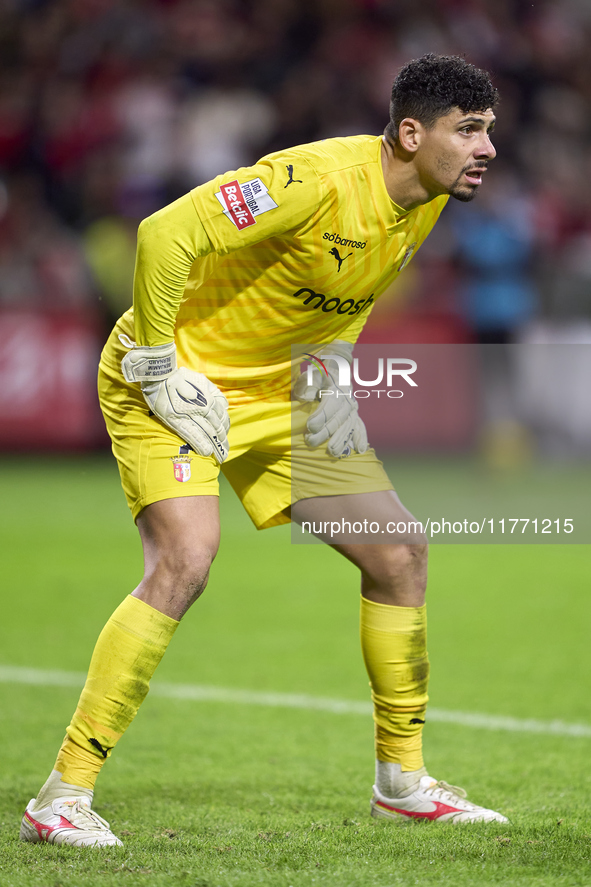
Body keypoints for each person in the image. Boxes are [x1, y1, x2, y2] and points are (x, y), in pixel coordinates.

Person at [20, 54, 507, 848]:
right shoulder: (312, 179)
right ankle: (62, 795)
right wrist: (154, 361)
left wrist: (331, 386)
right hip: (170, 378)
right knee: (185, 559)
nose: (486, 148)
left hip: (281, 393)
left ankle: (402, 782)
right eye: (470, 130)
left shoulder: (425, 197)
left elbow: (340, 301)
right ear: (411, 133)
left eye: (488, 131)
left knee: (399, 553)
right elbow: (163, 232)